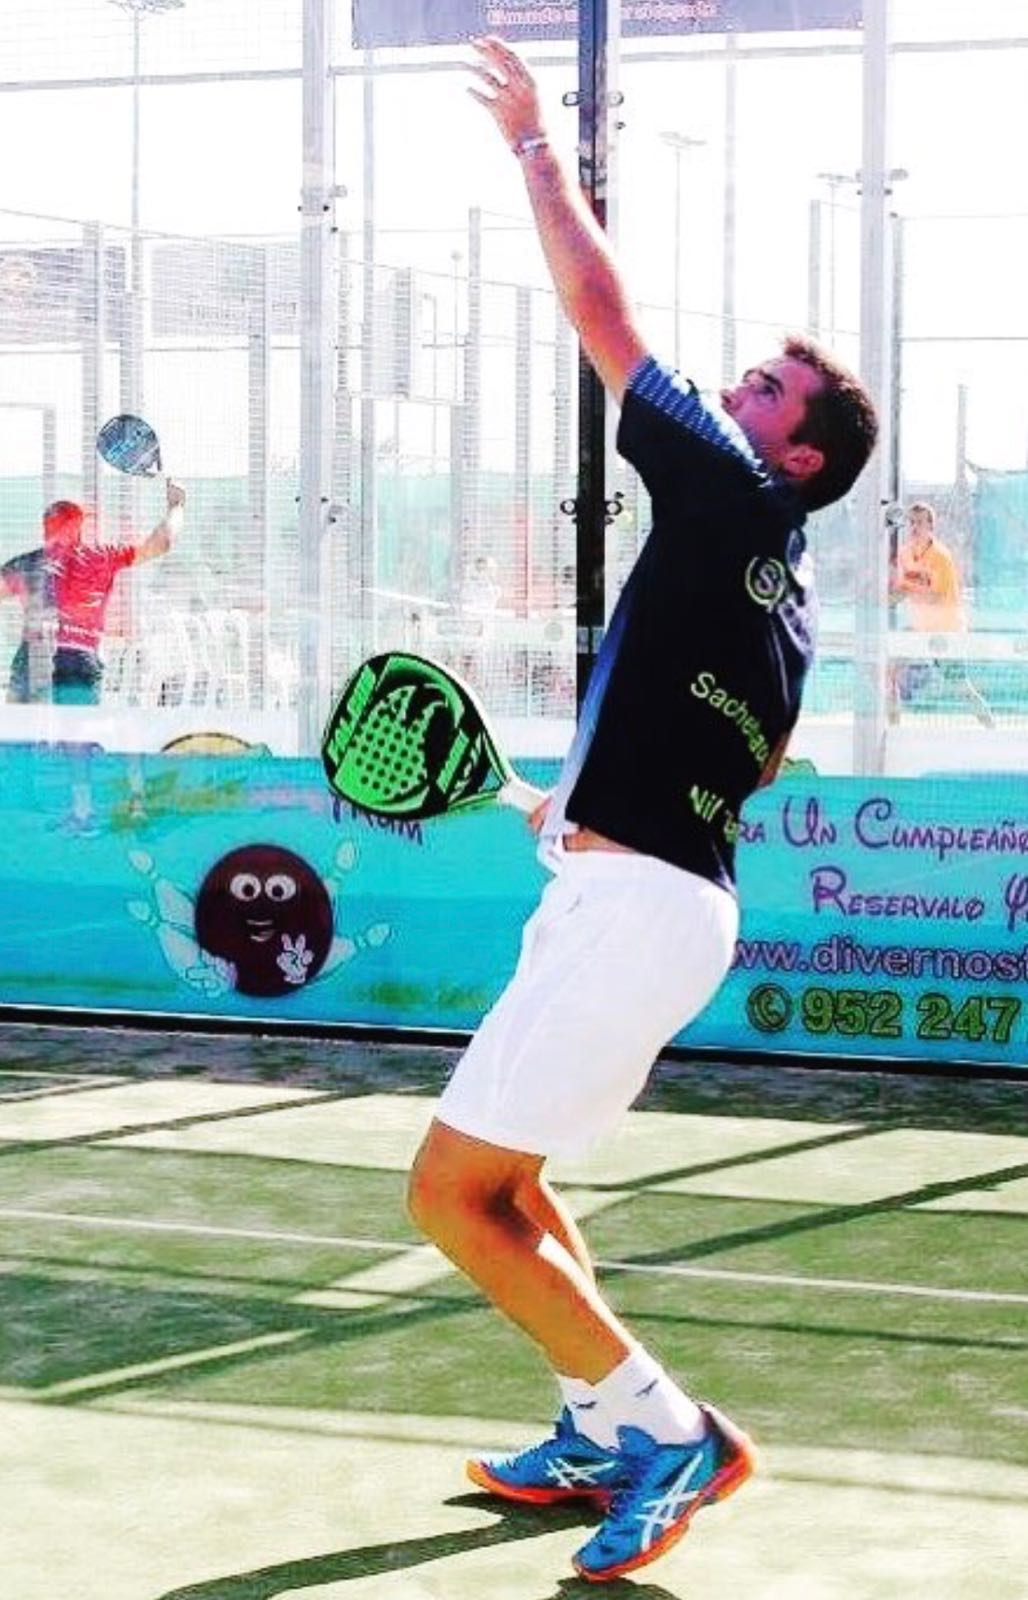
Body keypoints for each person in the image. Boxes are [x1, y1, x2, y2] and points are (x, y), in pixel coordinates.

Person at [407, 35, 878, 1585]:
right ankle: (596, 1425)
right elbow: (731, 768)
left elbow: (606, 321)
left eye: (765, 390)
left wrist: (537, 149)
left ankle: (670, 1433)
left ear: (794, 455)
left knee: (447, 1195)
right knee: (513, 1184)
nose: (735, 388)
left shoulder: (738, 491)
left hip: (636, 915)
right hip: (645, 899)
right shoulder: (785, 602)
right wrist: (576, 811)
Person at [1, 482, 185, 706]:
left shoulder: (27, 563)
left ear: (46, 528)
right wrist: (177, 506)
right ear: (79, 528)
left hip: (34, 657)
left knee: (20, 726)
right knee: (78, 727)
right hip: (78, 659)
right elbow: (161, 544)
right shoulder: (102, 558)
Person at [888, 500, 994, 726]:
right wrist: (883, 599)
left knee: (961, 687)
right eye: (911, 522)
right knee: (890, 672)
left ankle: (991, 727)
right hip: (920, 630)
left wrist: (907, 590)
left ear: (931, 526)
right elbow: (900, 592)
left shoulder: (941, 557)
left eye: (920, 522)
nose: (914, 527)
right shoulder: (905, 554)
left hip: (947, 631)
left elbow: (935, 598)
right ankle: (893, 731)